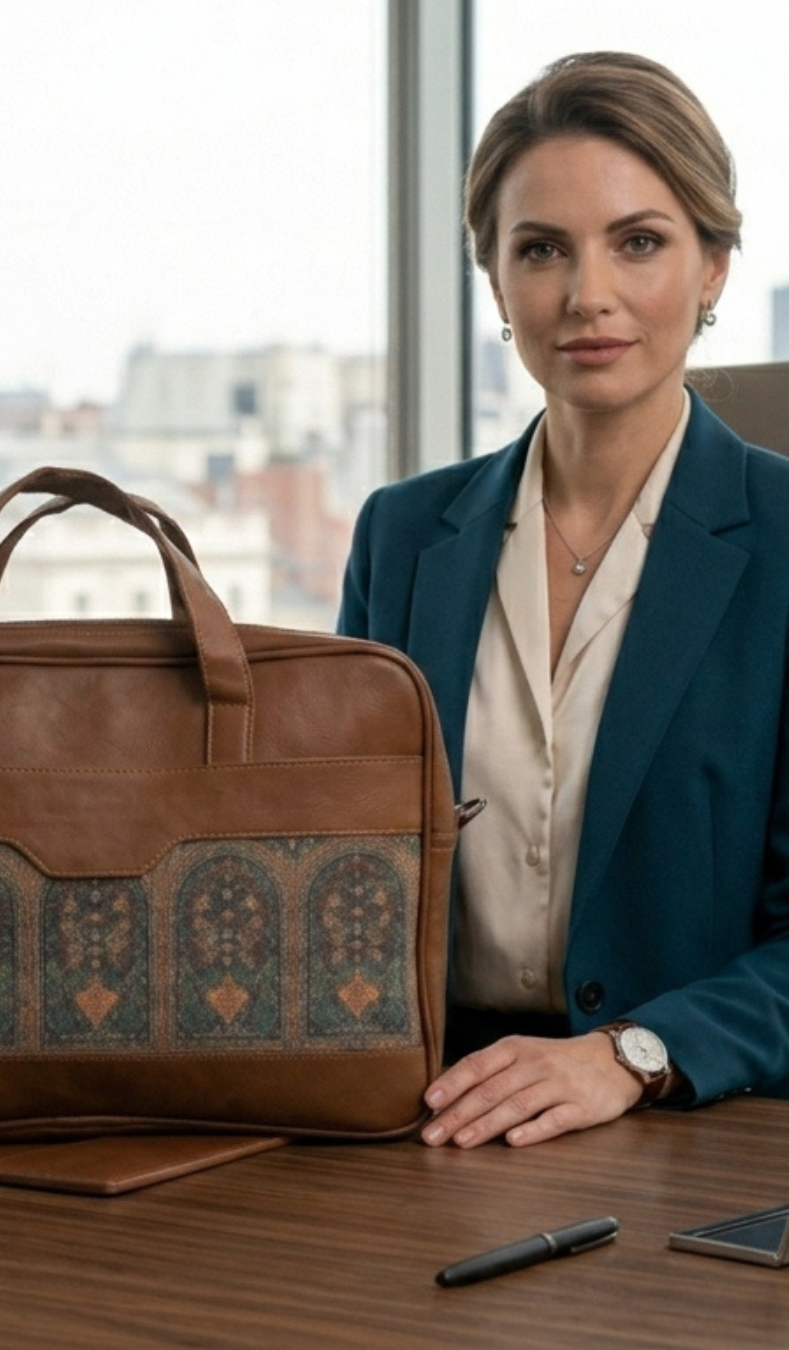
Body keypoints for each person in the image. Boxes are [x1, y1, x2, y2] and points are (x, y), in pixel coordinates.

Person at [338, 51, 789, 1149]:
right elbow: (347, 876)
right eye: (541, 250)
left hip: (693, 1123)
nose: (588, 295)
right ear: (497, 282)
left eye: (640, 241)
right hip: (422, 1121)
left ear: (716, 265)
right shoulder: (403, 536)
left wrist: (632, 1055)